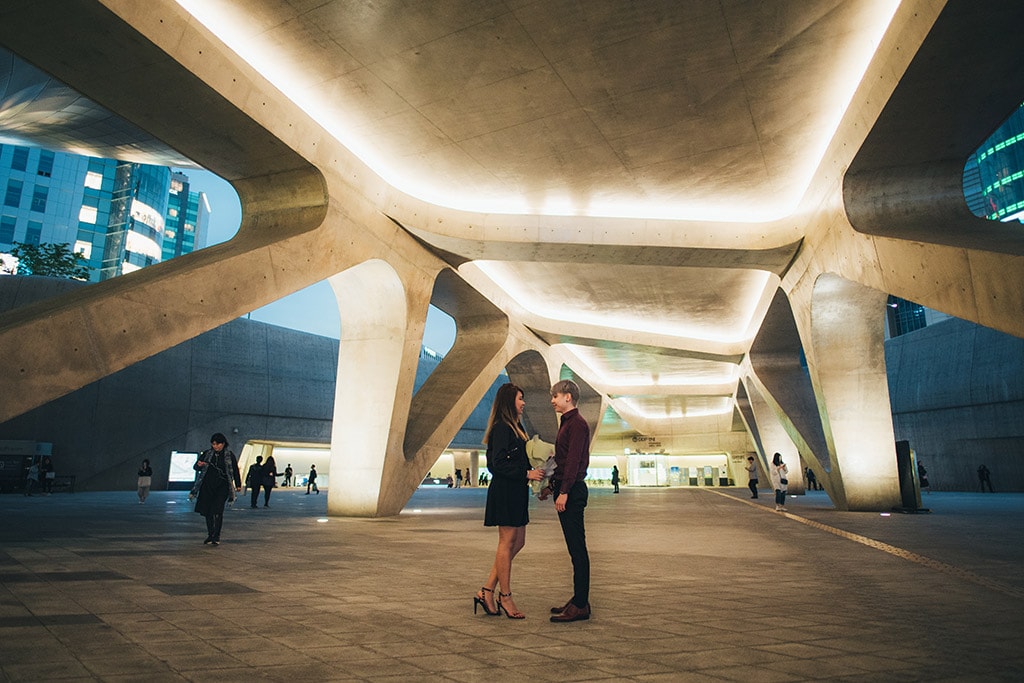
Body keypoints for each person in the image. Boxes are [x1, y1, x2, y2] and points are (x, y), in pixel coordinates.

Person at [474, 383, 543, 620]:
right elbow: (496, 464)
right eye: (520, 398)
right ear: (509, 401)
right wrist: (526, 474)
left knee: (518, 542)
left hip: (516, 491)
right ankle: (505, 596)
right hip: (505, 491)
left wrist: (534, 471)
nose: (523, 403)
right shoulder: (502, 428)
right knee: (507, 542)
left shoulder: (516, 426)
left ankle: (487, 589)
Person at [545, 379, 592, 623]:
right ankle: (578, 599)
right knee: (575, 549)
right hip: (567, 489)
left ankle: (581, 605)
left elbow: (573, 461)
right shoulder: (568, 423)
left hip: (572, 492)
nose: (552, 400)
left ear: (568, 397)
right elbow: (563, 461)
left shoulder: (577, 425)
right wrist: (552, 487)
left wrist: (564, 491)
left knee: (578, 550)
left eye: (556, 395)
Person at [193, 433, 241, 545]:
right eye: (213, 444)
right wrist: (199, 465)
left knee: (218, 510)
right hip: (208, 486)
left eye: (218, 444)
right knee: (208, 511)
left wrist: (238, 484)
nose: (216, 446)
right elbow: (196, 467)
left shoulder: (229, 455)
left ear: (223, 444)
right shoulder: (207, 454)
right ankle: (210, 534)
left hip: (222, 486)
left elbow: (234, 470)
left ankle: (216, 535)